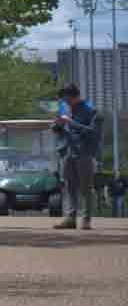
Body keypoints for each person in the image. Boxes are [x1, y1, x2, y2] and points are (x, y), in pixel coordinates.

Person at [52, 82, 99, 231]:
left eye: (66, 99)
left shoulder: (91, 111)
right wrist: (57, 127)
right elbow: (63, 130)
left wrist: (71, 123)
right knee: (69, 187)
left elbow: (93, 133)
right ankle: (70, 218)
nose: (65, 103)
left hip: (84, 153)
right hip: (68, 152)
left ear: (74, 96)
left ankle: (86, 220)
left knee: (85, 188)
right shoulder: (66, 109)